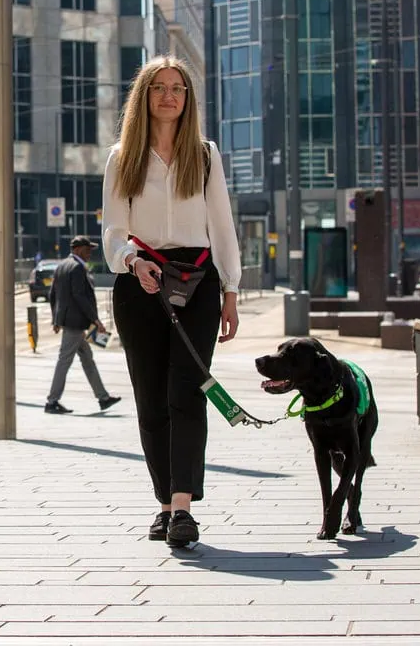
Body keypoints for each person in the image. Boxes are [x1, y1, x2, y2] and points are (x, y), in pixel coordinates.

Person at [101, 54, 242, 548]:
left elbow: (222, 225)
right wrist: (130, 261)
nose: (169, 96)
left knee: (188, 392)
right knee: (151, 398)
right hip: (141, 284)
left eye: (177, 88)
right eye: (159, 87)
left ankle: (183, 507)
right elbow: (114, 231)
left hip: (197, 283)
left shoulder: (204, 155)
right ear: (145, 96)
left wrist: (230, 289)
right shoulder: (124, 157)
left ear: (188, 99)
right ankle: (163, 503)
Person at [45, 236, 122, 415]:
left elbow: (53, 294)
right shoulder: (77, 268)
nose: (90, 253)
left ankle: (103, 398)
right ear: (78, 249)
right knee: (64, 361)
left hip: (70, 322)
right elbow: (80, 296)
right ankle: (52, 401)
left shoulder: (62, 265)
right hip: (75, 323)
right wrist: (95, 320)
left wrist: (55, 320)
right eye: (88, 250)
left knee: (87, 359)